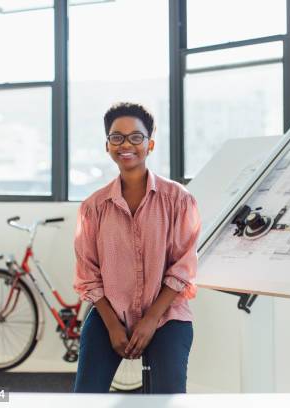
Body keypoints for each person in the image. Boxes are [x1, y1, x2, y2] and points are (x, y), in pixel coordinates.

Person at [72, 102, 201, 393]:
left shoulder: (179, 200)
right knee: (84, 398)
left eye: (136, 137)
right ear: (107, 145)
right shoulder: (93, 207)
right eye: (116, 137)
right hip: (110, 315)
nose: (126, 144)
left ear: (150, 144)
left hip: (167, 315)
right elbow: (88, 274)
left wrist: (150, 319)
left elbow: (183, 268)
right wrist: (113, 325)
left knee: (168, 398)